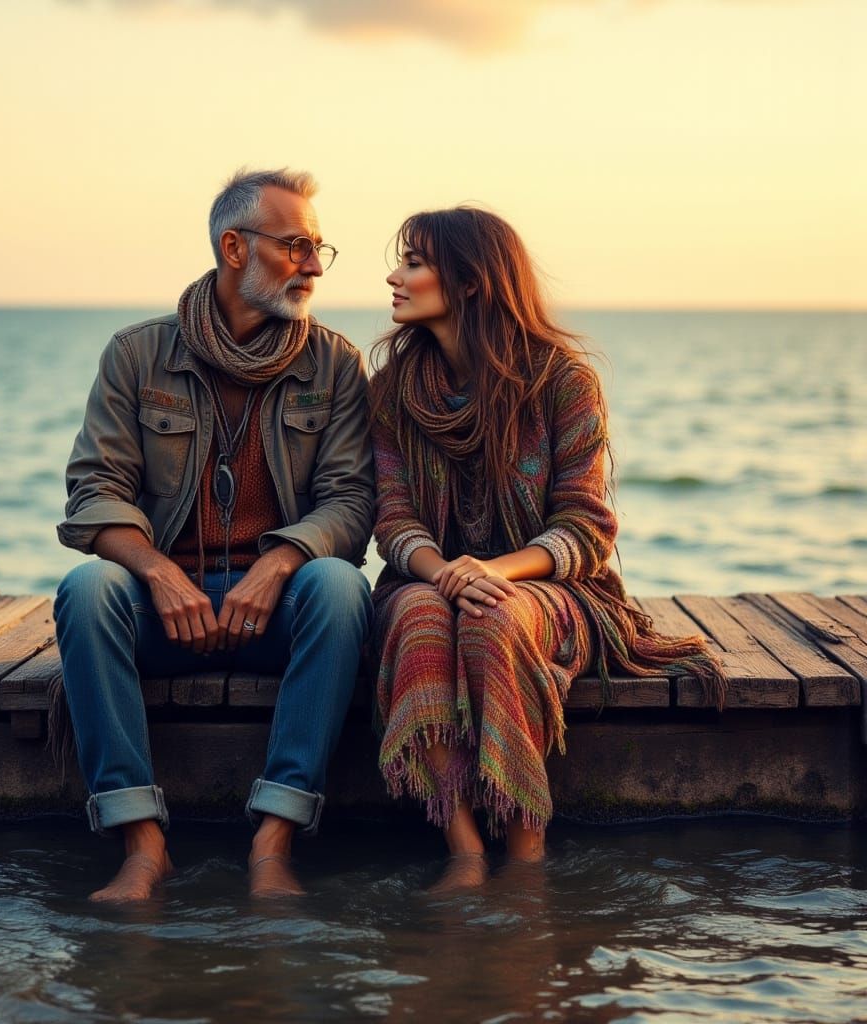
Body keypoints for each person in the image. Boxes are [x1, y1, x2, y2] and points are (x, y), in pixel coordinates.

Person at [368, 207, 724, 892]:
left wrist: (490, 571)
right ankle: (464, 848)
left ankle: (526, 846)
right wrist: (446, 574)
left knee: (493, 616)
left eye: (413, 262)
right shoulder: (393, 391)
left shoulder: (563, 382)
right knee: (417, 617)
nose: (394, 275)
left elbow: (587, 529)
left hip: (552, 592)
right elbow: (393, 519)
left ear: (470, 282)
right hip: (425, 581)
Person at [54, 168, 375, 902]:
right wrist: (160, 575)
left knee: (338, 584)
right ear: (235, 247)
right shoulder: (137, 355)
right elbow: (93, 490)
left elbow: (353, 501)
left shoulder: (334, 363)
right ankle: (142, 844)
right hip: (167, 611)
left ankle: (275, 839)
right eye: (295, 247)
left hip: (278, 612)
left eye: (321, 248)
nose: (315, 267)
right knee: (87, 589)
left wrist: (283, 560)